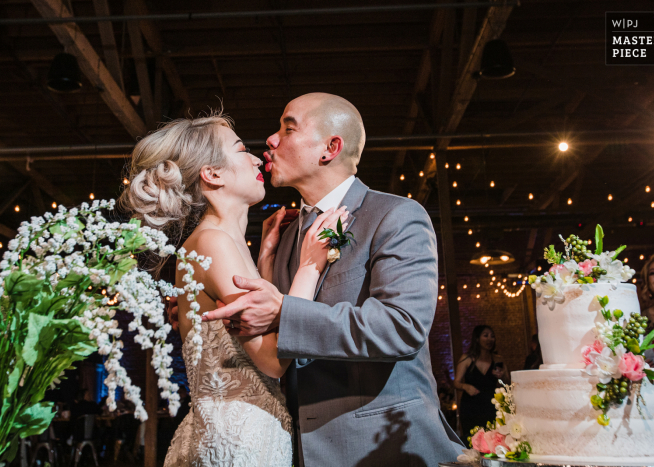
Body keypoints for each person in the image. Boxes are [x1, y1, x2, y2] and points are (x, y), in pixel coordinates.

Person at [204, 93, 462, 466]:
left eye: (287, 128)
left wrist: (284, 312)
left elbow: (401, 325)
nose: (271, 140)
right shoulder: (287, 235)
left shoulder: (395, 216)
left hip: (384, 447)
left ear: (330, 148)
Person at [119, 112, 347, 466]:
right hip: (237, 440)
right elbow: (272, 360)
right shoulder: (213, 242)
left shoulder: (225, 241)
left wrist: (266, 260)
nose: (257, 158)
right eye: (241, 149)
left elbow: (258, 323)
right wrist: (310, 263)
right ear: (213, 174)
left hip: (247, 431)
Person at [454, 325, 509, 439]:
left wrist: (502, 376)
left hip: (491, 405)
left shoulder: (498, 359)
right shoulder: (467, 358)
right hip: (471, 406)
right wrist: (466, 386)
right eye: (486, 336)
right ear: (477, 339)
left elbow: (507, 384)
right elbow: (456, 382)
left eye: (492, 336)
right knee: (472, 439)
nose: (490, 339)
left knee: (492, 439)